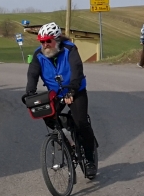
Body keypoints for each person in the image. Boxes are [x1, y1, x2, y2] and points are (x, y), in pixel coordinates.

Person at [25, 22, 98, 179]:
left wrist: (72, 90)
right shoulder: (38, 55)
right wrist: (29, 93)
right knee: (47, 115)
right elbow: (32, 74)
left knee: (81, 122)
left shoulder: (69, 49)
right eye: (42, 42)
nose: (45, 45)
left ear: (57, 39)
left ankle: (89, 159)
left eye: (48, 41)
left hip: (75, 90)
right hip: (56, 93)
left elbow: (77, 70)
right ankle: (68, 140)